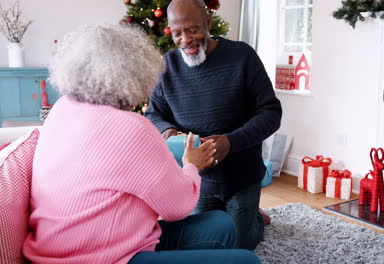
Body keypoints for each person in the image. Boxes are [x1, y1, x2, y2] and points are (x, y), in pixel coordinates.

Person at [22, 24, 261, 264]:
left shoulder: (61, 109)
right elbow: (176, 208)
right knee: (248, 260)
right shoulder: (132, 127)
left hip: (77, 245)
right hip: (99, 258)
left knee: (221, 224)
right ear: (135, 74)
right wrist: (191, 165)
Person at [145, 0, 282, 250]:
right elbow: (154, 115)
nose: (185, 40)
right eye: (177, 33)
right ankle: (245, 215)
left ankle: (254, 220)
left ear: (208, 23)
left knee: (238, 246)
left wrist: (231, 141)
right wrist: (169, 131)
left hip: (242, 176)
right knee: (204, 246)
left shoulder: (243, 56)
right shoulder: (167, 67)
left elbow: (271, 113)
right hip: (197, 179)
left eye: (193, 30)